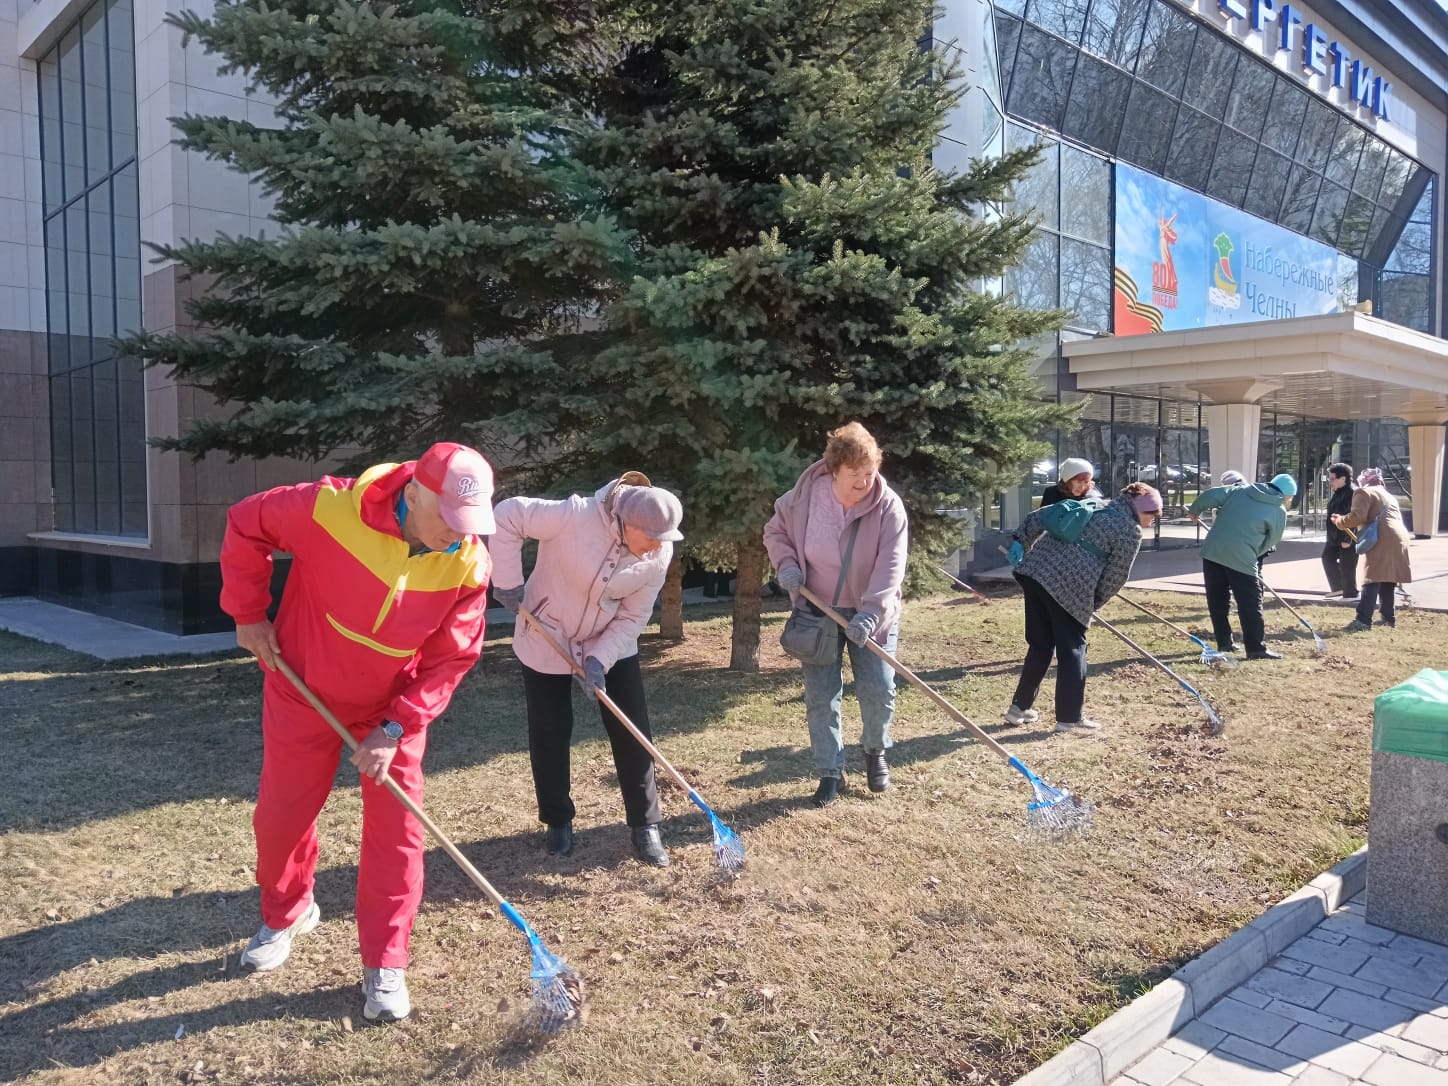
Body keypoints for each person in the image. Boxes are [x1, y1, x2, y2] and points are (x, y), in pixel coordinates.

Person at [220, 442, 496, 1023]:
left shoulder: (469, 562)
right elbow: (246, 522)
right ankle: (288, 911)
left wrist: (395, 726)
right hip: (303, 691)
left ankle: (385, 961)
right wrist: (248, 614)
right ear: (414, 493)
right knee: (280, 818)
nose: (459, 533)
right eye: (449, 518)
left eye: (469, 521)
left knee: (398, 833)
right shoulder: (328, 508)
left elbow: (452, 658)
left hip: (392, 711)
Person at [490, 473, 683, 866]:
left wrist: (599, 659)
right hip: (546, 633)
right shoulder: (573, 516)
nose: (657, 546)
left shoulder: (659, 552)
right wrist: (508, 583)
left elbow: (633, 616)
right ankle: (558, 821)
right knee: (550, 729)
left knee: (632, 730)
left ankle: (645, 826)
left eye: (664, 539)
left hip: (610, 640)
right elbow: (507, 515)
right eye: (650, 537)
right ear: (626, 522)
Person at [764, 422, 908, 807]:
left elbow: (891, 567)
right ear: (834, 470)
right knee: (821, 695)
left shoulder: (888, 507)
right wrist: (786, 565)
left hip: (871, 612)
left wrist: (871, 613)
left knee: (878, 689)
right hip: (817, 609)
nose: (864, 482)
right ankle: (830, 771)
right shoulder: (804, 499)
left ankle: (875, 750)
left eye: (869, 473)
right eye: (854, 473)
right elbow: (775, 532)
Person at [1002, 482, 1160, 733]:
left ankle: (1018, 709)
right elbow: (1116, 576)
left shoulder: (1093, 503)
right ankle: (1069, 718)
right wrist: (1092, 602)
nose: (1152, 523)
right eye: (1153, 516)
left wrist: (1021, 540)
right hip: (1069, 587)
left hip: (1035, 573)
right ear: (1141, 509)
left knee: (1041, 645)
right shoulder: (1130, 530)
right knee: (1073, 650)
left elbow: (1038, 516)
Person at [1188, 473, 1295, 660]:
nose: (1289, 501)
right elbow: (1272, 540)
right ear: (1286, 495)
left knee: (1218, 600)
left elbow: (1211, 495)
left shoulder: (1240, 490)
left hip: (1213, 551)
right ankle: (1256, 649)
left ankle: (1224, 642)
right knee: (1250, 603)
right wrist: (1254, 553)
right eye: (1290, 497)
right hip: (1243, 558)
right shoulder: (1278, 510)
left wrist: (1194, 510)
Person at [1334, 467, 1412, 632]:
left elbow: (1357, 517)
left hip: (1382, 538)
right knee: (1388, 578)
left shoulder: (1363, 492)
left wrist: (1340, 521)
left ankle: (1363, 620)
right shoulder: (1388, 495)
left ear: (1364, 481)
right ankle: (1388, 618)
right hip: (1400, 537)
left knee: (1372, 578)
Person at [1322, 463, 1358, 600]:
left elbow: (1354, 517)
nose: (1330, 482)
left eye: (1332, 478)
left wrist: (1348, 539)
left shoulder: (1352, 493)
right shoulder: (1338, 493)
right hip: (1334, 536)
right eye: (1329, 478)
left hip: (1348, 535)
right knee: (1327, 557)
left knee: (1347, 565)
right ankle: (1338, 588)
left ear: (1343, 479)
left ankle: (1350, 593)